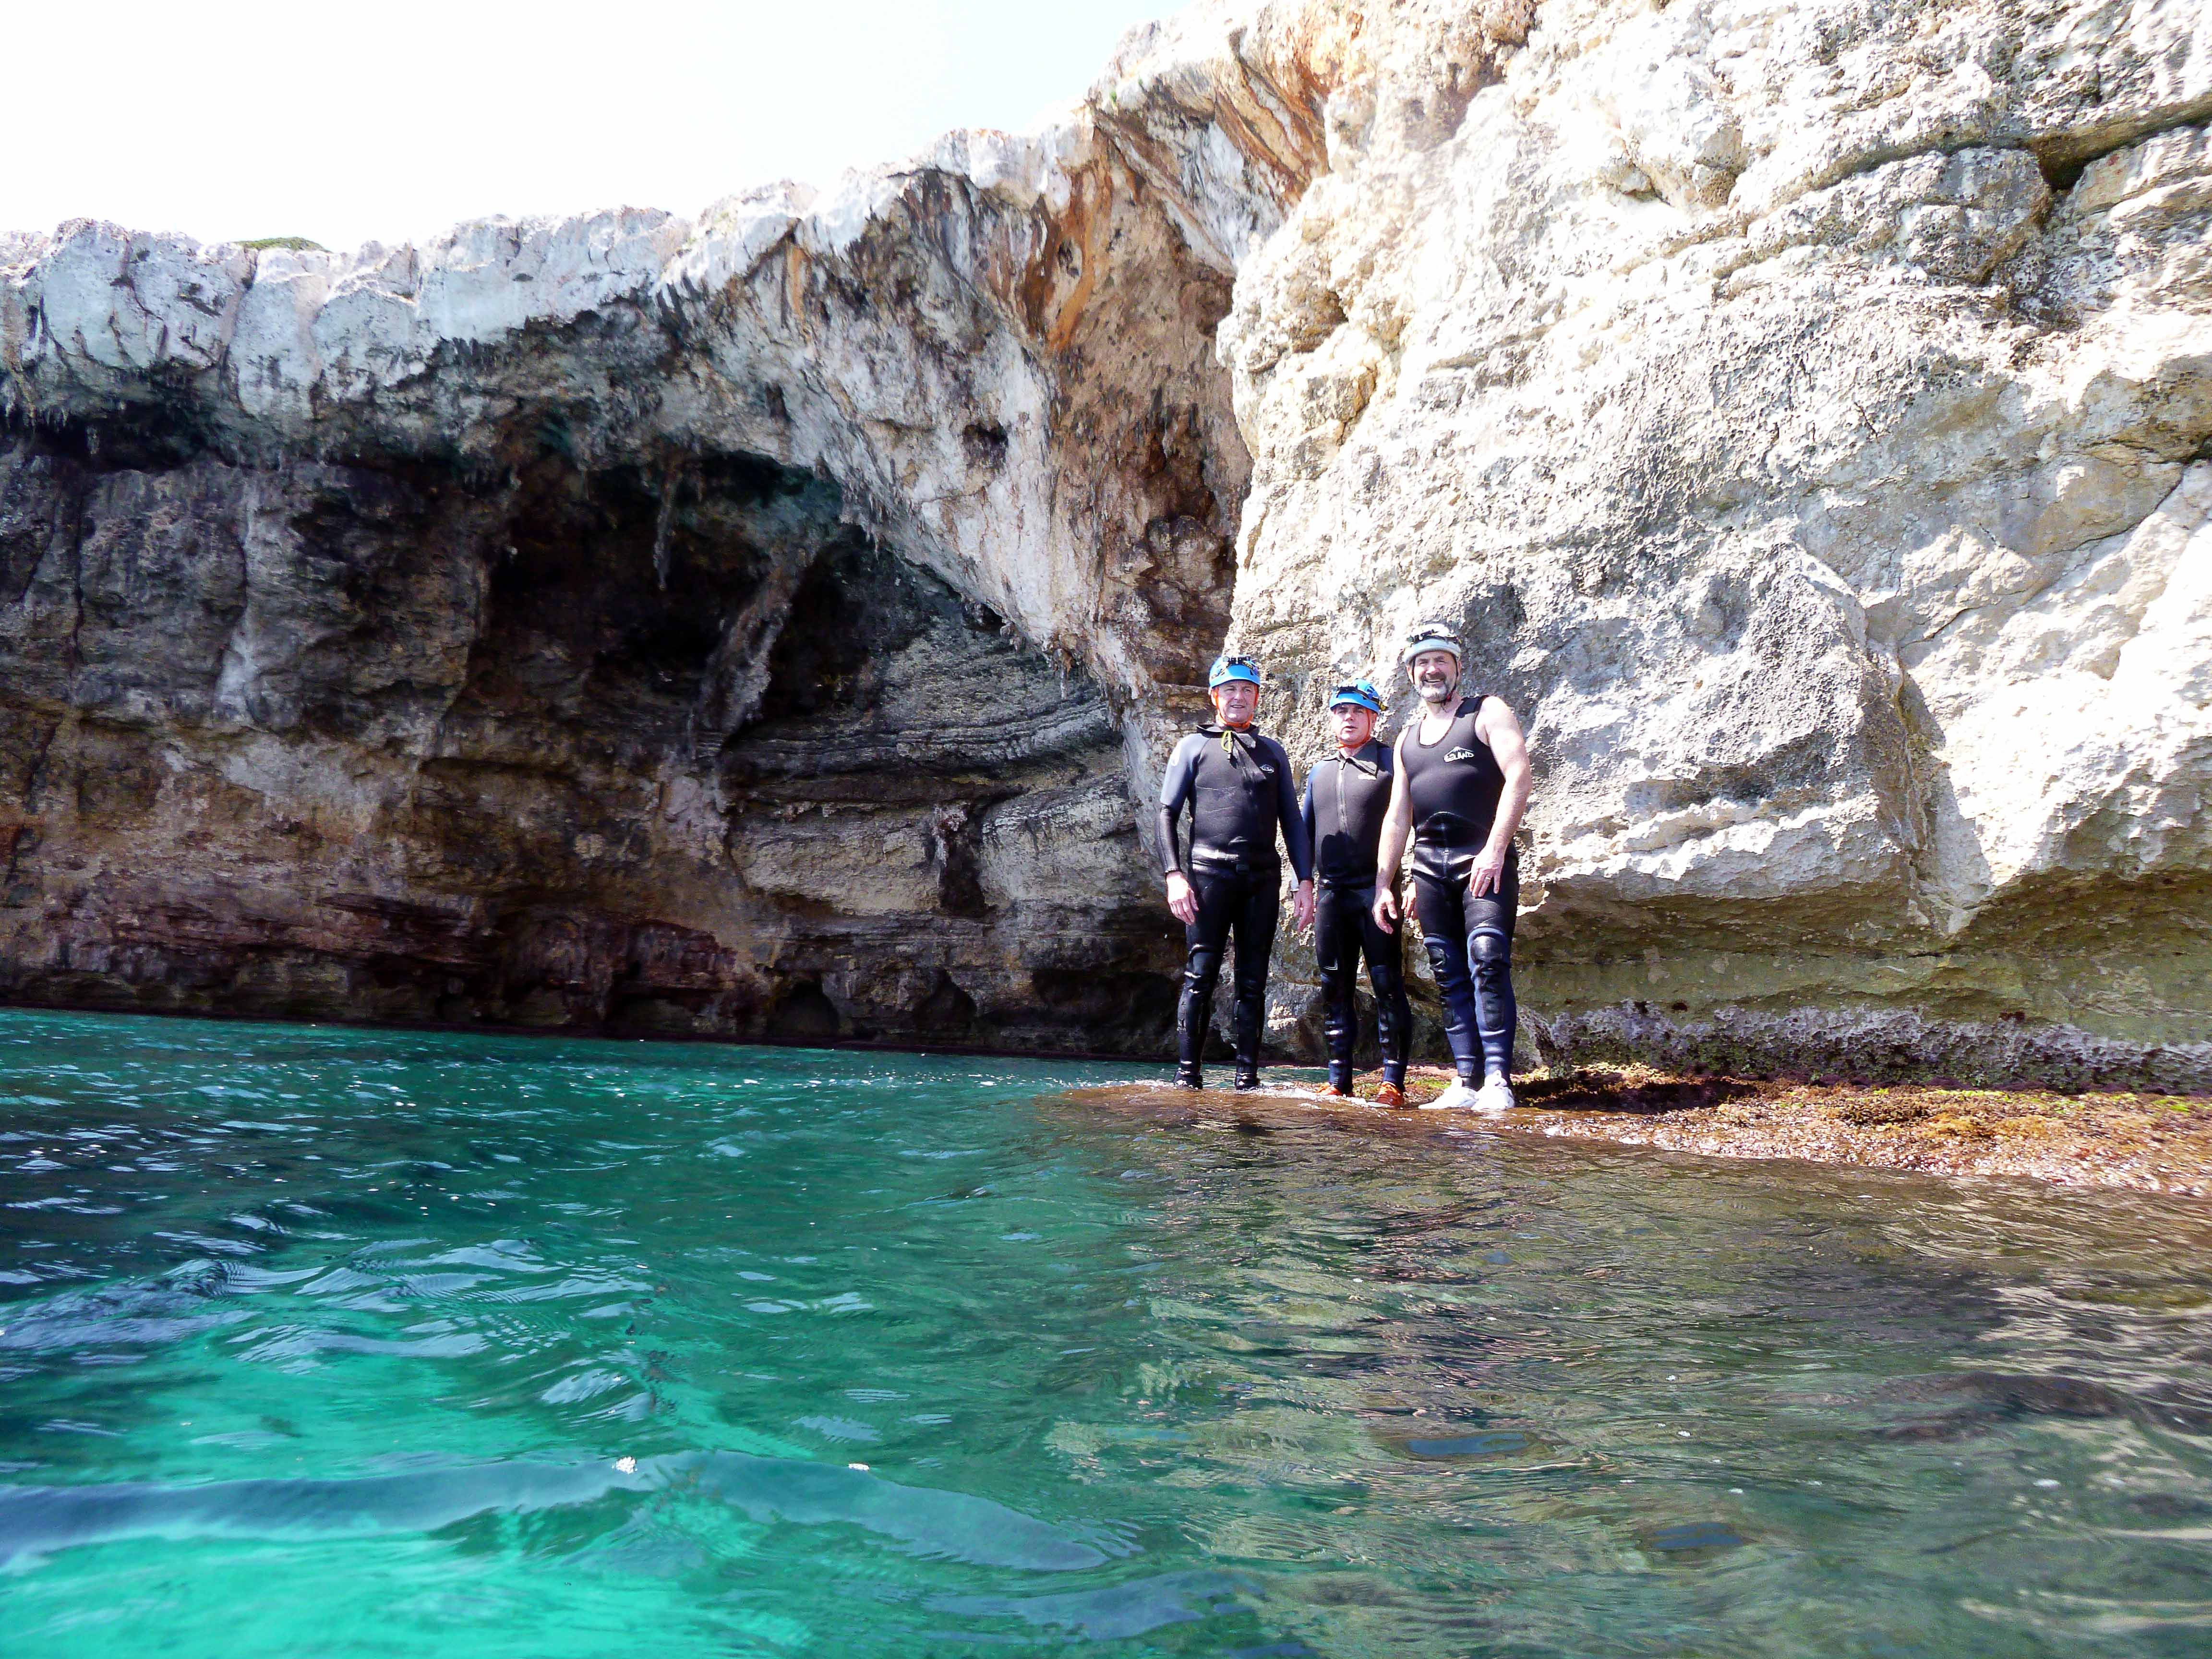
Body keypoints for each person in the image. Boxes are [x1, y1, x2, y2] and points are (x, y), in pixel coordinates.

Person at [1370, 623, 1533, 1113]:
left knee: (1487, 957)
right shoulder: (1407, 739)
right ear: (1411, 674)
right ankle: (1466, 1081)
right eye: (1422, 662)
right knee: (1447, 970)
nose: (1431, 669)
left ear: (1458, 667)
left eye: (1441, 660)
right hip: (1431, 870)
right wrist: (1386, 883)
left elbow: (1519, 774)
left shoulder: (1486, 712)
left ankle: (1498, 1081)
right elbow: (1398, 816)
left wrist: (1496, 849)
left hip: (1483, 861)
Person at [1157, 654, 1316, 1090]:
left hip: (1261, 880)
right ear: (1214, 697)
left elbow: (1294, 822)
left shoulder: (1273, 752)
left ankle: (1247, 1077)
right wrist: (1174, 875)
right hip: (1208, 877)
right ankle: (1188, 1076)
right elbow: (1167, 813)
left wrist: (1306, 882)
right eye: (1230, 690)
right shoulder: (1193, 747)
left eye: (1247, 690)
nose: (1238, 698)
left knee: (1253, 977)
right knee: (1200, 974)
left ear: (1258, 698)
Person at [1300, 679, 1413, 1106]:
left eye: (1358, 712)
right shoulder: (1320, 769)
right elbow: (1304, 831)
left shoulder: (1390, 762)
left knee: (1387, 983)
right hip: (1331, 893)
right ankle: (1338, 1079)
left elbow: (1413, 821)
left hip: (1376, 890)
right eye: (1341, 712)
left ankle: (1393, 1082)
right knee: (1335, 986)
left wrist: (1412, 877)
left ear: (1373, 717)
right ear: (1332, 718)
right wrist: (1303, 885)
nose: (1348, 719)